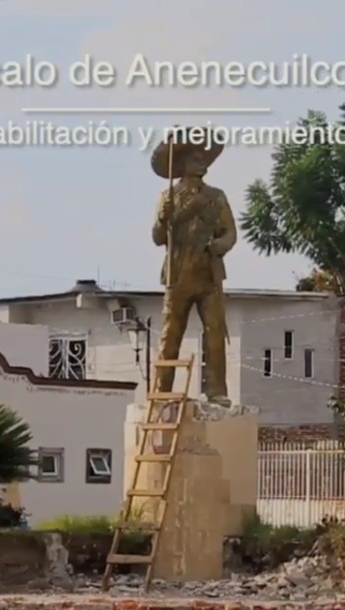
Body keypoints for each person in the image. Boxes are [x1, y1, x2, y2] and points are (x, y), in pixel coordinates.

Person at [149, 127, 237, 406]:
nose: (202, 163)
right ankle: (163, 391)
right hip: (178, 272)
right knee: (171, 332)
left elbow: (230, 232)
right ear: (182, 164)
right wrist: (163, 220)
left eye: (203, 158)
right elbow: (158, 238)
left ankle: (216, 391)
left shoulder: (216, 196)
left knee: (214, 332)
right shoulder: (168, 198)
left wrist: (219, 246)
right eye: (196, 158)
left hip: (208, 272)